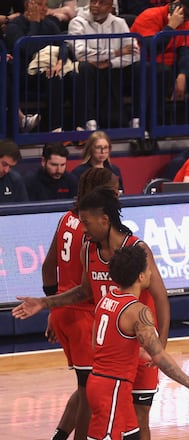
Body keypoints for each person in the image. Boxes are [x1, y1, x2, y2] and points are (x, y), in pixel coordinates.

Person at [13, 187, 172, 440]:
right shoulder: (88, 249)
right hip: (111, 352)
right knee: (107, 414)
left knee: (139, 415)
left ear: (104, 219)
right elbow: (84, 292)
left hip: (140, 345)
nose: (83, 229)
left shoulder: (137, 249)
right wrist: (45, 303)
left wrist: (160, 345)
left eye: (86, 223)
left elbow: (161, 298)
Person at [88, 245, 189, 439]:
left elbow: (98, 346)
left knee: (134, 436)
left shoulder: (105, 300)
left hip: (102, 384)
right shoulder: (138, 311)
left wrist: (134, 352)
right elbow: (159, 356)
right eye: (148, 268)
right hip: (113, 389)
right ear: (141, 277)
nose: (151, 271)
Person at [42, 167, 117, 440]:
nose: (119, 194)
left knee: (85, 385)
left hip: (63, 311)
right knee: (91, 392)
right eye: (114, 189)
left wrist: (53, 310)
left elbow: (48, 268)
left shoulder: (66, 219)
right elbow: (88, 288)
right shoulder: (94, 228)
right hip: (83, 314)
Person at [68, 0, 142, 130]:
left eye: (101, 3)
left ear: (110, 8)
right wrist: (117, 52)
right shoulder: (77, 22)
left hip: (115, 69)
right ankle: (89, 121)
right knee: (85, 67)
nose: (95, 5)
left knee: (140, 68)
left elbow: (134, 54)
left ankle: (137, 120)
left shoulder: (120, 23)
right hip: (90, 71)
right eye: (93, 1)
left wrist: (110, 63)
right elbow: (80, 54)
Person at [5, 0, 74, 132]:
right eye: (39, 4)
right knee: (51, 76)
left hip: (49, 70)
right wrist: (34, 23)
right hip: (25, 75)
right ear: (28, 5)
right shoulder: (14, 26)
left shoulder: (50, 24)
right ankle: (52, 129)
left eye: (45, 5)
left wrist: (60, 62)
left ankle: (66, 128)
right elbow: (29, 49)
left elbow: (62, 45)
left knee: (63, 75)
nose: (44, 9)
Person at [131, 1, 189, 125]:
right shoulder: (149, 15)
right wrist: (170, 27)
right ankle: (154, 124)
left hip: (170, 66)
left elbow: (186, 52)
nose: (187, 19)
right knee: (161, 71)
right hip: (143, 64)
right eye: (185, 14)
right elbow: (152, 49)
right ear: (175, 9)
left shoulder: (186, 24)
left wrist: (183, 75)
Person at [0, 139, 28, 203]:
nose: (6, 170)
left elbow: (23, 209)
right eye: (4, 164)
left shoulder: (15, 180)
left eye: (10, 166)